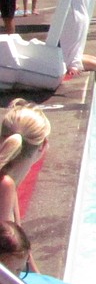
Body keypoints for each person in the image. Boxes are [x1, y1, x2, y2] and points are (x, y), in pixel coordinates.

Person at [0, 101, 51, 240]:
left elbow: (21, 249)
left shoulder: (10, 183)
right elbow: (8, 251)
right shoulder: (5, 185)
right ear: (43, 145)